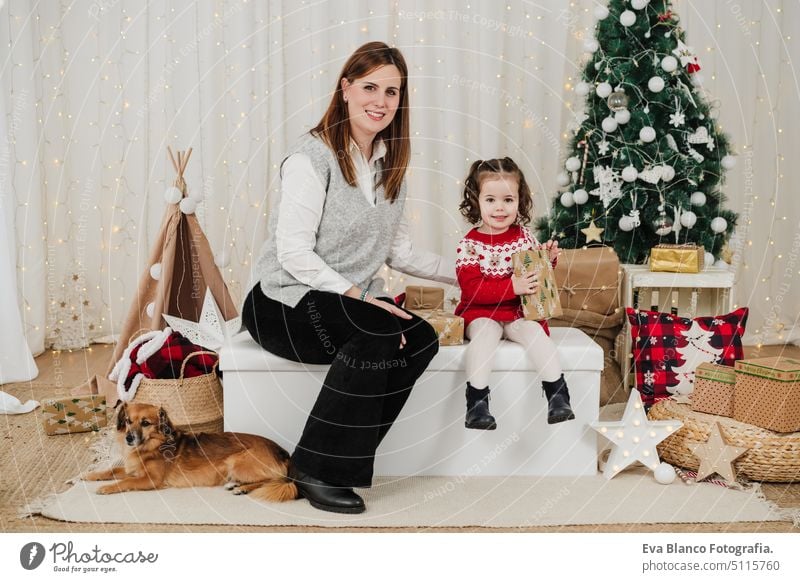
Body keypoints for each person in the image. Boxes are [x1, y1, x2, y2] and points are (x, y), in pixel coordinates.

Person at [242, 42, 455, 514]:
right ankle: (322, 470)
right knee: (377, 330)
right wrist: (361, 294)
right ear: (345, 89)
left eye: (392, 91)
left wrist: (470, 275)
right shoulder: (310, 158)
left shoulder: (388, 163)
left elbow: (401, 252)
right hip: (283, 302)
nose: (380, 101)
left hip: (345, 304)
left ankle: (325, 459)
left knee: (419, 338)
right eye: (370, 87)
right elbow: (293, 254)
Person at [454, 158, 575, 430]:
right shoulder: (470, 245)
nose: (500, 207)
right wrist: (512, 286)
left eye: (508, 200)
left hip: (517, 311)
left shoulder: (524, 237)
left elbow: (534, 275)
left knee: (535, 333)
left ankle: (558, 395)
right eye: (491, 200)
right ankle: (477, 403)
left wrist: (548, 260)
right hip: (481, 312)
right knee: (486, 333)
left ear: (519, 201)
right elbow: (471, 290)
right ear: (477, 201)